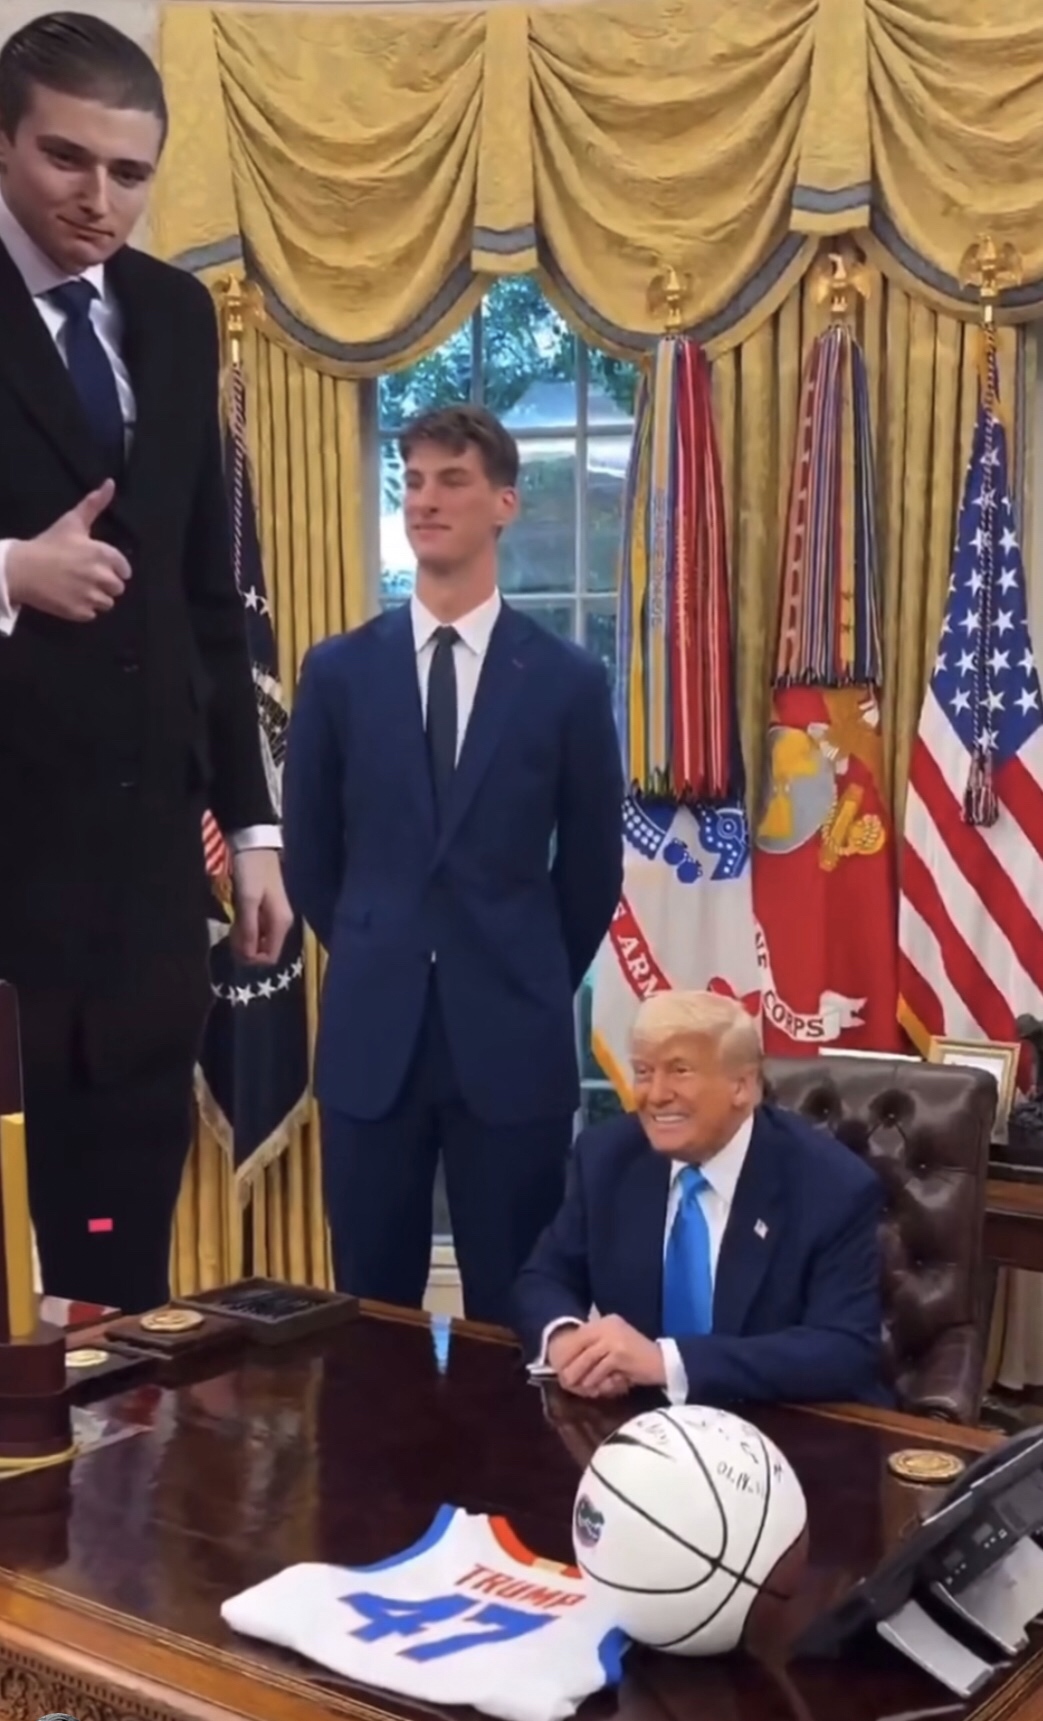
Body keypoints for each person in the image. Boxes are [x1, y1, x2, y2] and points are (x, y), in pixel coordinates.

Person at [0, 13, 293, 1313]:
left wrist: (255, 829)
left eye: (129, 172)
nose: (99, 199)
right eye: (66, 159)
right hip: (9, 855)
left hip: (144, 881)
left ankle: (110, 1440)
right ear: (3, 144)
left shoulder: (175, 314)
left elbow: (206, 600)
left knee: (118, 1246)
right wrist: (11, 572)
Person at [284, 404, 624, 1326]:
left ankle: (509, 1440)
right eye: (414, 482)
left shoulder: (565, 680)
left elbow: (591, 871)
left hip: (511, 1039)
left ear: (504, 502)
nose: (425, 500)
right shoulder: (337, 673)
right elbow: (311, 857)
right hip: (371, 1041)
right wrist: (377, 943)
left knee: (517, 1311)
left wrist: (523, 965)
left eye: (452, 480)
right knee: (371, 1315)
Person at [513, 989, 889, 1407]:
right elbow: (545, 1276)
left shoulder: (832, 1185)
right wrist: (565, 1340)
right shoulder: (606, 1157)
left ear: (742, 1086)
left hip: (782, 1420)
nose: (655, 1094)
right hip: (640, 1421)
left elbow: (843, 1349)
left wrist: (666, 1363)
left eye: (680, 1071)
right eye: (643, 1072)